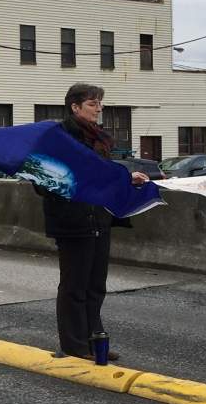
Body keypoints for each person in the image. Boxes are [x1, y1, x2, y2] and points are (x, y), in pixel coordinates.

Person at [41, 83, 148, 361]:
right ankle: (74, 345)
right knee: (74, 285)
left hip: (99, 216)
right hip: (72, 219)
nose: (99, 108)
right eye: (92, 103)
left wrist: (127, 179)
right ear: (75, 107)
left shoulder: (99, 139)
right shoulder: (58, 138)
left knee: (96, 285)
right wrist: (73, 183)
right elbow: (42, 182)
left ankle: (94, 339)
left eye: (100, 103)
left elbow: (102, 176)